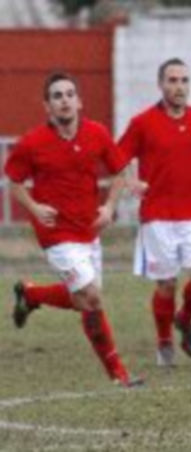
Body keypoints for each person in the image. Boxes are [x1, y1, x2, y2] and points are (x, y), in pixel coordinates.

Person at [5, 73, 142, 387]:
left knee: (84, 301)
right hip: (55, 234)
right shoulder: (33, 142)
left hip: (88, 231)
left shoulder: (96, 134)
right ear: (47, 106)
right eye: (56, 96)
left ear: (79, 102)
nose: (64, 100)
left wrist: (108, 207)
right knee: (91, 297)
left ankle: (30, 294)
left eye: (69, 94)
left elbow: (122, 170)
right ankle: (119, 375)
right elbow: (13, 181)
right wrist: (35, 208)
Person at [117, 58, 191, 367]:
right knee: (166, 284)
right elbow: (117, 156)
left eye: (184, 80)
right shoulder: (142, 122)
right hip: (158, 216)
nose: (179, 87)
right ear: (161, 84)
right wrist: (131, 180)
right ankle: (164, 342)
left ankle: (185, 318)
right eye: (173, 80)